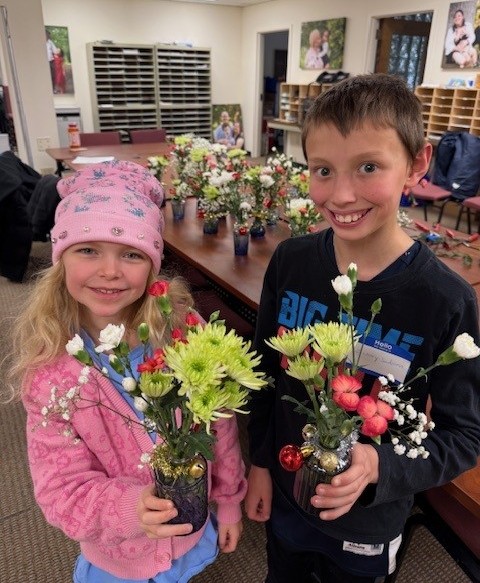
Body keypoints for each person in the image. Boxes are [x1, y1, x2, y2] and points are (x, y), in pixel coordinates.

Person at [245, 74, 480, 582]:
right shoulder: (291, 262)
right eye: (323, 170)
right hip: (286, 495)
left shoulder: (446, 300)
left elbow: (465, 436)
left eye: (368, 167)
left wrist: (380, 467)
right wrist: (260, 464)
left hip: (369, 522)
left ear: (417, 164)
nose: (342, 193)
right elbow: (264, 373)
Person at [8, 160, 247, 582]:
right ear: (61, 259)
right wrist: (130, 508)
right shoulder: (51, 374)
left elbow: (219, 426)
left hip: (190, 537)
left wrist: (227, 500)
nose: (110, 271)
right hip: (117, 556)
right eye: (87, 249)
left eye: (131, 254)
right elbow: (60, 489)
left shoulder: (186, 334)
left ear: (153, 267)